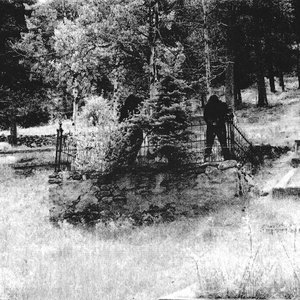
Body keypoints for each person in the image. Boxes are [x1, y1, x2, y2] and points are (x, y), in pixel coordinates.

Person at [203, 95, 232, 161]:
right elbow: (227, 113)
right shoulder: (222, 105)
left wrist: (211, 122)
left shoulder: (208, 106)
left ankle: (207, 158)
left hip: (211, 127)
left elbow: (205, 117)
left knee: (209, 143)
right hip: (220, 126)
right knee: (223, 143)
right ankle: (227, 158)